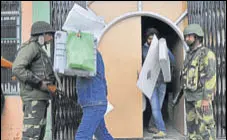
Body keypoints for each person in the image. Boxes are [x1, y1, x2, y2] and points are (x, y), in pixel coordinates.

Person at [12, 21, 56, 140]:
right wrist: (39, 83)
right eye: (49, 34)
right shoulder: (31, 47)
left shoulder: (39, 49)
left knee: (38, 135)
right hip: (33, 100)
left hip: (40, 99)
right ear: (41, 35)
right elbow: (17, 68)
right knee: (31, 136)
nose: (51, 37)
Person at [182, 24, 216, 140]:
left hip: (201, 97)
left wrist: (206, 99)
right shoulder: (189, 54)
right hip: (189, 96)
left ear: (197, 37)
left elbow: (211, 77)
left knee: (206, 127)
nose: (186, 39)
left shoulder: (207, 54)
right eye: (185, 36)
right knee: (191, 127)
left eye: (189, 36)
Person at [75, 39, 113, 139]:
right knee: (102, 135)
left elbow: (87, 73)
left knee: (81, 136)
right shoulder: (92, 54)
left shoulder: (90, 54)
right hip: (95, 102)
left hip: (94, 103)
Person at [142, 28, 175, 138]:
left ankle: (151, 125)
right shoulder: (143, 49)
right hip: (151, 83)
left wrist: (165, 49)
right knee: (155, 108)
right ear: (146, 39)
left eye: (153, 38)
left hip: (162, 83)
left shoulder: (161, 47)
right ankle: (162, 130)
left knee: (158, 107)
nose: (151, 40)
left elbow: (173, 60)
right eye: (149, 38)